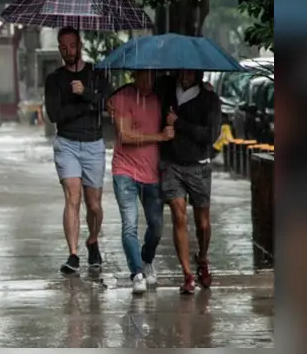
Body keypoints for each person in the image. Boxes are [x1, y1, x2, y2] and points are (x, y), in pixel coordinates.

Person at [44, 27, 112, 273]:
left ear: (80, 45)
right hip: (67, 143)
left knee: (94, 205)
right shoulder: (54, 79)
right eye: (63, 47)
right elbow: (55, 114)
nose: (68, 51)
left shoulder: (96, 74)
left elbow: (108, 103)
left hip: (94, 143)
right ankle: (73, 254)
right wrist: (85, 108)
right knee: (73, 197)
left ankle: (92, 240)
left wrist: (85, 95)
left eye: (72, 46)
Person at [156, 69, 222, 294]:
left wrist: (179, 123)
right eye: (182, 70)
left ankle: (202, 258)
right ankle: (187, 275)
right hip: (171, 164)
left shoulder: (209, 99)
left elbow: (211, 135)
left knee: (202, 223)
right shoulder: (166, 89)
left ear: (199, 73)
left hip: (199, 166)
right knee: (178, 216)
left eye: (190, 72)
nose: (185, 75)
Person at [107, 70, 172, 294]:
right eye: (143, 76)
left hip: (152, 173)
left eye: (152, 77)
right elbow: (124, 135)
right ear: (134, 75)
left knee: (156, 227)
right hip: (124, 170)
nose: (148, 81)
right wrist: (160, 137)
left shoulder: (159, 98)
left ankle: (146, 260)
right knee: (129, 225)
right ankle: (136, 273)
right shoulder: (122, 97)